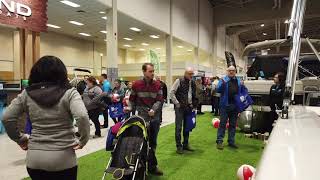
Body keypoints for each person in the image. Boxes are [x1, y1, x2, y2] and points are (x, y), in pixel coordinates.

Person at [2, 56, 90, 180]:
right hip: (63, 159)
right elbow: (82, 116)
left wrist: (20, 138)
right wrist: (83, 140)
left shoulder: (26, 93)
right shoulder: (70, 92)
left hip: (34, 159)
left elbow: (7, 117)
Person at [125, 63, 164, 176]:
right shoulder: (136, 84)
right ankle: (141, 170)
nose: (152, 73)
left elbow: (160, 100)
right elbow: (132, 99)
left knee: (153, 143)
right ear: (144, 72)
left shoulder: (158, 85)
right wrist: (130, 107)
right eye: (150, 71)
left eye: (153, 71)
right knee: (141, 144)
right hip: (141, 119)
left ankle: (152, 167)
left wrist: (154, 109)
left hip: (155, 118)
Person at [170, 67, 198, 154]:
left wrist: (194, 105)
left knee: (187, 127)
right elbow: (171, 92)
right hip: (180, 108)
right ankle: (179, 146)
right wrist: (177, 103)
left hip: (189, 108)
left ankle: (185, 144)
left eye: (192, 74)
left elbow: (194, 95)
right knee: (178, 127)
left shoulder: (192, 82)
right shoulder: (179, 81)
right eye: (189, 74)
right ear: (185, 73)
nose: (191, 75)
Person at [216, 66, 242, 150]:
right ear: (227, 71)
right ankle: (219, 141)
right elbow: (218, 90)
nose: (231, 72)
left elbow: (240, 92)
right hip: (225, 106)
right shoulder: (223, 80)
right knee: (222, 124)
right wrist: (223, 83)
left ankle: (231, 141)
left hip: (235, 106)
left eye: (233, 71)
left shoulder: (238, 80)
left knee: (233, 125)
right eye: (229, 71)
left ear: (235, 72)